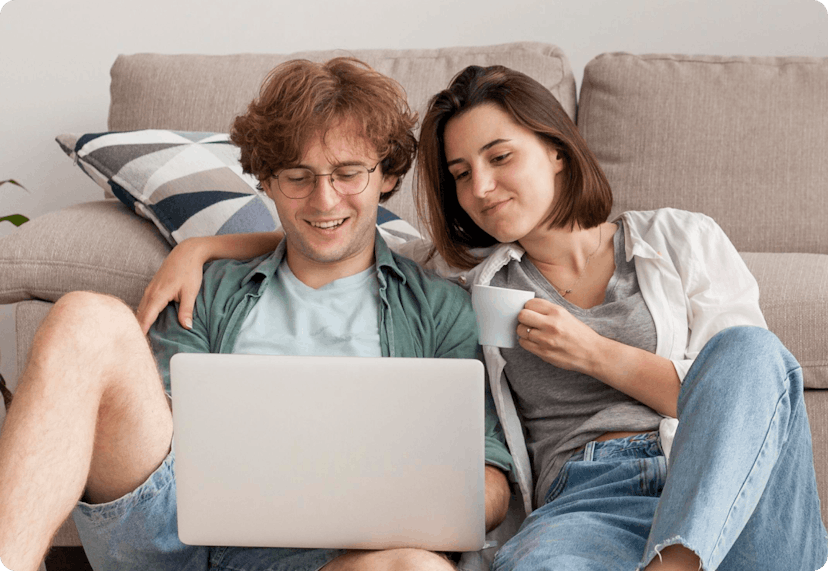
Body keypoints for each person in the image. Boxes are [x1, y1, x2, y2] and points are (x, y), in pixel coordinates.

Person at [134, 64, 828, 571]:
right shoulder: (465, 278)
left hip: (724, 486)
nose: (483, 187)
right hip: (585, 505)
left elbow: (751, 398)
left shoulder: (682, 239)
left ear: (556, 148)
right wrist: (205, 245)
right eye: (462, 173)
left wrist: (594, 353)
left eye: (501, 157)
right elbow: (336, 225)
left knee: (749, 351)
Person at [0, 57, 515, 571]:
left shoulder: (441, 308)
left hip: (336, 557)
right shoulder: (210, 288)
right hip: (175, 534)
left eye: (349, 173)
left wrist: (397, 509)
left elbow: (491, 477)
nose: (324, 199)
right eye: (297, 177)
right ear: (266, 182)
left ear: (387, 175)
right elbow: (156, 434)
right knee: (86, 316)